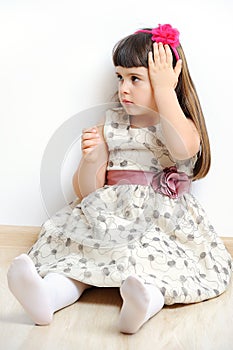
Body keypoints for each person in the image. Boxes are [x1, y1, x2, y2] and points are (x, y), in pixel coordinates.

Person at [7, 23, 232, 334]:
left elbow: (184, 150)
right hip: (108, 213)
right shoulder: (111, 122)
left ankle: (143, 303)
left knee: (153, 266)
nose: (123, 88)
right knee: (79, 259)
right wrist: (94, 159)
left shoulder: (178, 123)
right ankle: (48, 295)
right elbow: (87, 191)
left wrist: (166, 91)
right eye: (120, 77)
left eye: (135, 78)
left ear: (165, 80)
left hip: (160, 221)